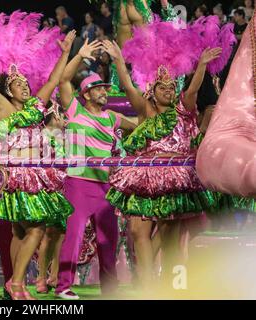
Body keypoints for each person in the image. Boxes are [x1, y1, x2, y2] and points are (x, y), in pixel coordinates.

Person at [0, 11, 76, 299]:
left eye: (26, 82)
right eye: (18, 83)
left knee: (21, 233)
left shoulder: (36, 106)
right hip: (14, 176)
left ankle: (15, 283)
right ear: (7, 89)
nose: (25, 85)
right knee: (35, 229)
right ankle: (17, 283)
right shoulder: (1, 106)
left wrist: (66, 53)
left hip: (36, 174)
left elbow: (53, 79)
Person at [103, 23, 223, 291]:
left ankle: (168, 288)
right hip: (144, 175)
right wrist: (119, 60)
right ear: (152, 91)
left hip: (174, 178)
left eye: (171, 87)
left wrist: (201, 65)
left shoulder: (183, 110)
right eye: (163, 88)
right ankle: (145, 286)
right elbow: (126, 84)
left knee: (170, 238)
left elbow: (191, 91)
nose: (169, 91)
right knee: (137, 232)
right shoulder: (145, 109)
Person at [55, 39, 136, 300]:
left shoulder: (112, 117)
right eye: (98, 88)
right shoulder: (75, 109)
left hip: (105, 187)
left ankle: (110, 290)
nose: (104, 91)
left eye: (105, 88)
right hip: (78, 183)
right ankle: (63, 287)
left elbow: (140, 125)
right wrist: (78, 56)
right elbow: (63, 82)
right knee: (73, 238)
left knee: (107, 241)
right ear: (86, 94)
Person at [35, 101, 68, 294]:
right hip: (46, 189)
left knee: (61, 233)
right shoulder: (41, 136)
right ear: (55, 117)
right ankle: (40, 277)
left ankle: (54, 276)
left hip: (62, 189)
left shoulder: (64, 137)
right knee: (47, 234)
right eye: (63, 117)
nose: (65, 120)